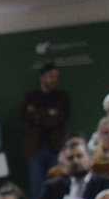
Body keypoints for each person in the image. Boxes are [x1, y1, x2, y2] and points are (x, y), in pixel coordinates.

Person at [33, 138, 109, 199]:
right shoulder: (52, 187)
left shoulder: (107, 184)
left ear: (91, 160)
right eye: (70, 158)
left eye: (79, 156)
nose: (75, 161)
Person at [22, 62, 72, 191]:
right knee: (36, 188)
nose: (54, 79)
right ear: (42, 78)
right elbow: (26, 117)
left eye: (56, 76)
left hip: (56, 147)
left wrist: (37, 114)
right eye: (51, 76)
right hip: (35, 148)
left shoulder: (62, 97)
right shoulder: (31, 97)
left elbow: (59, 118)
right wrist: (48, 113)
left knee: (57, 186)